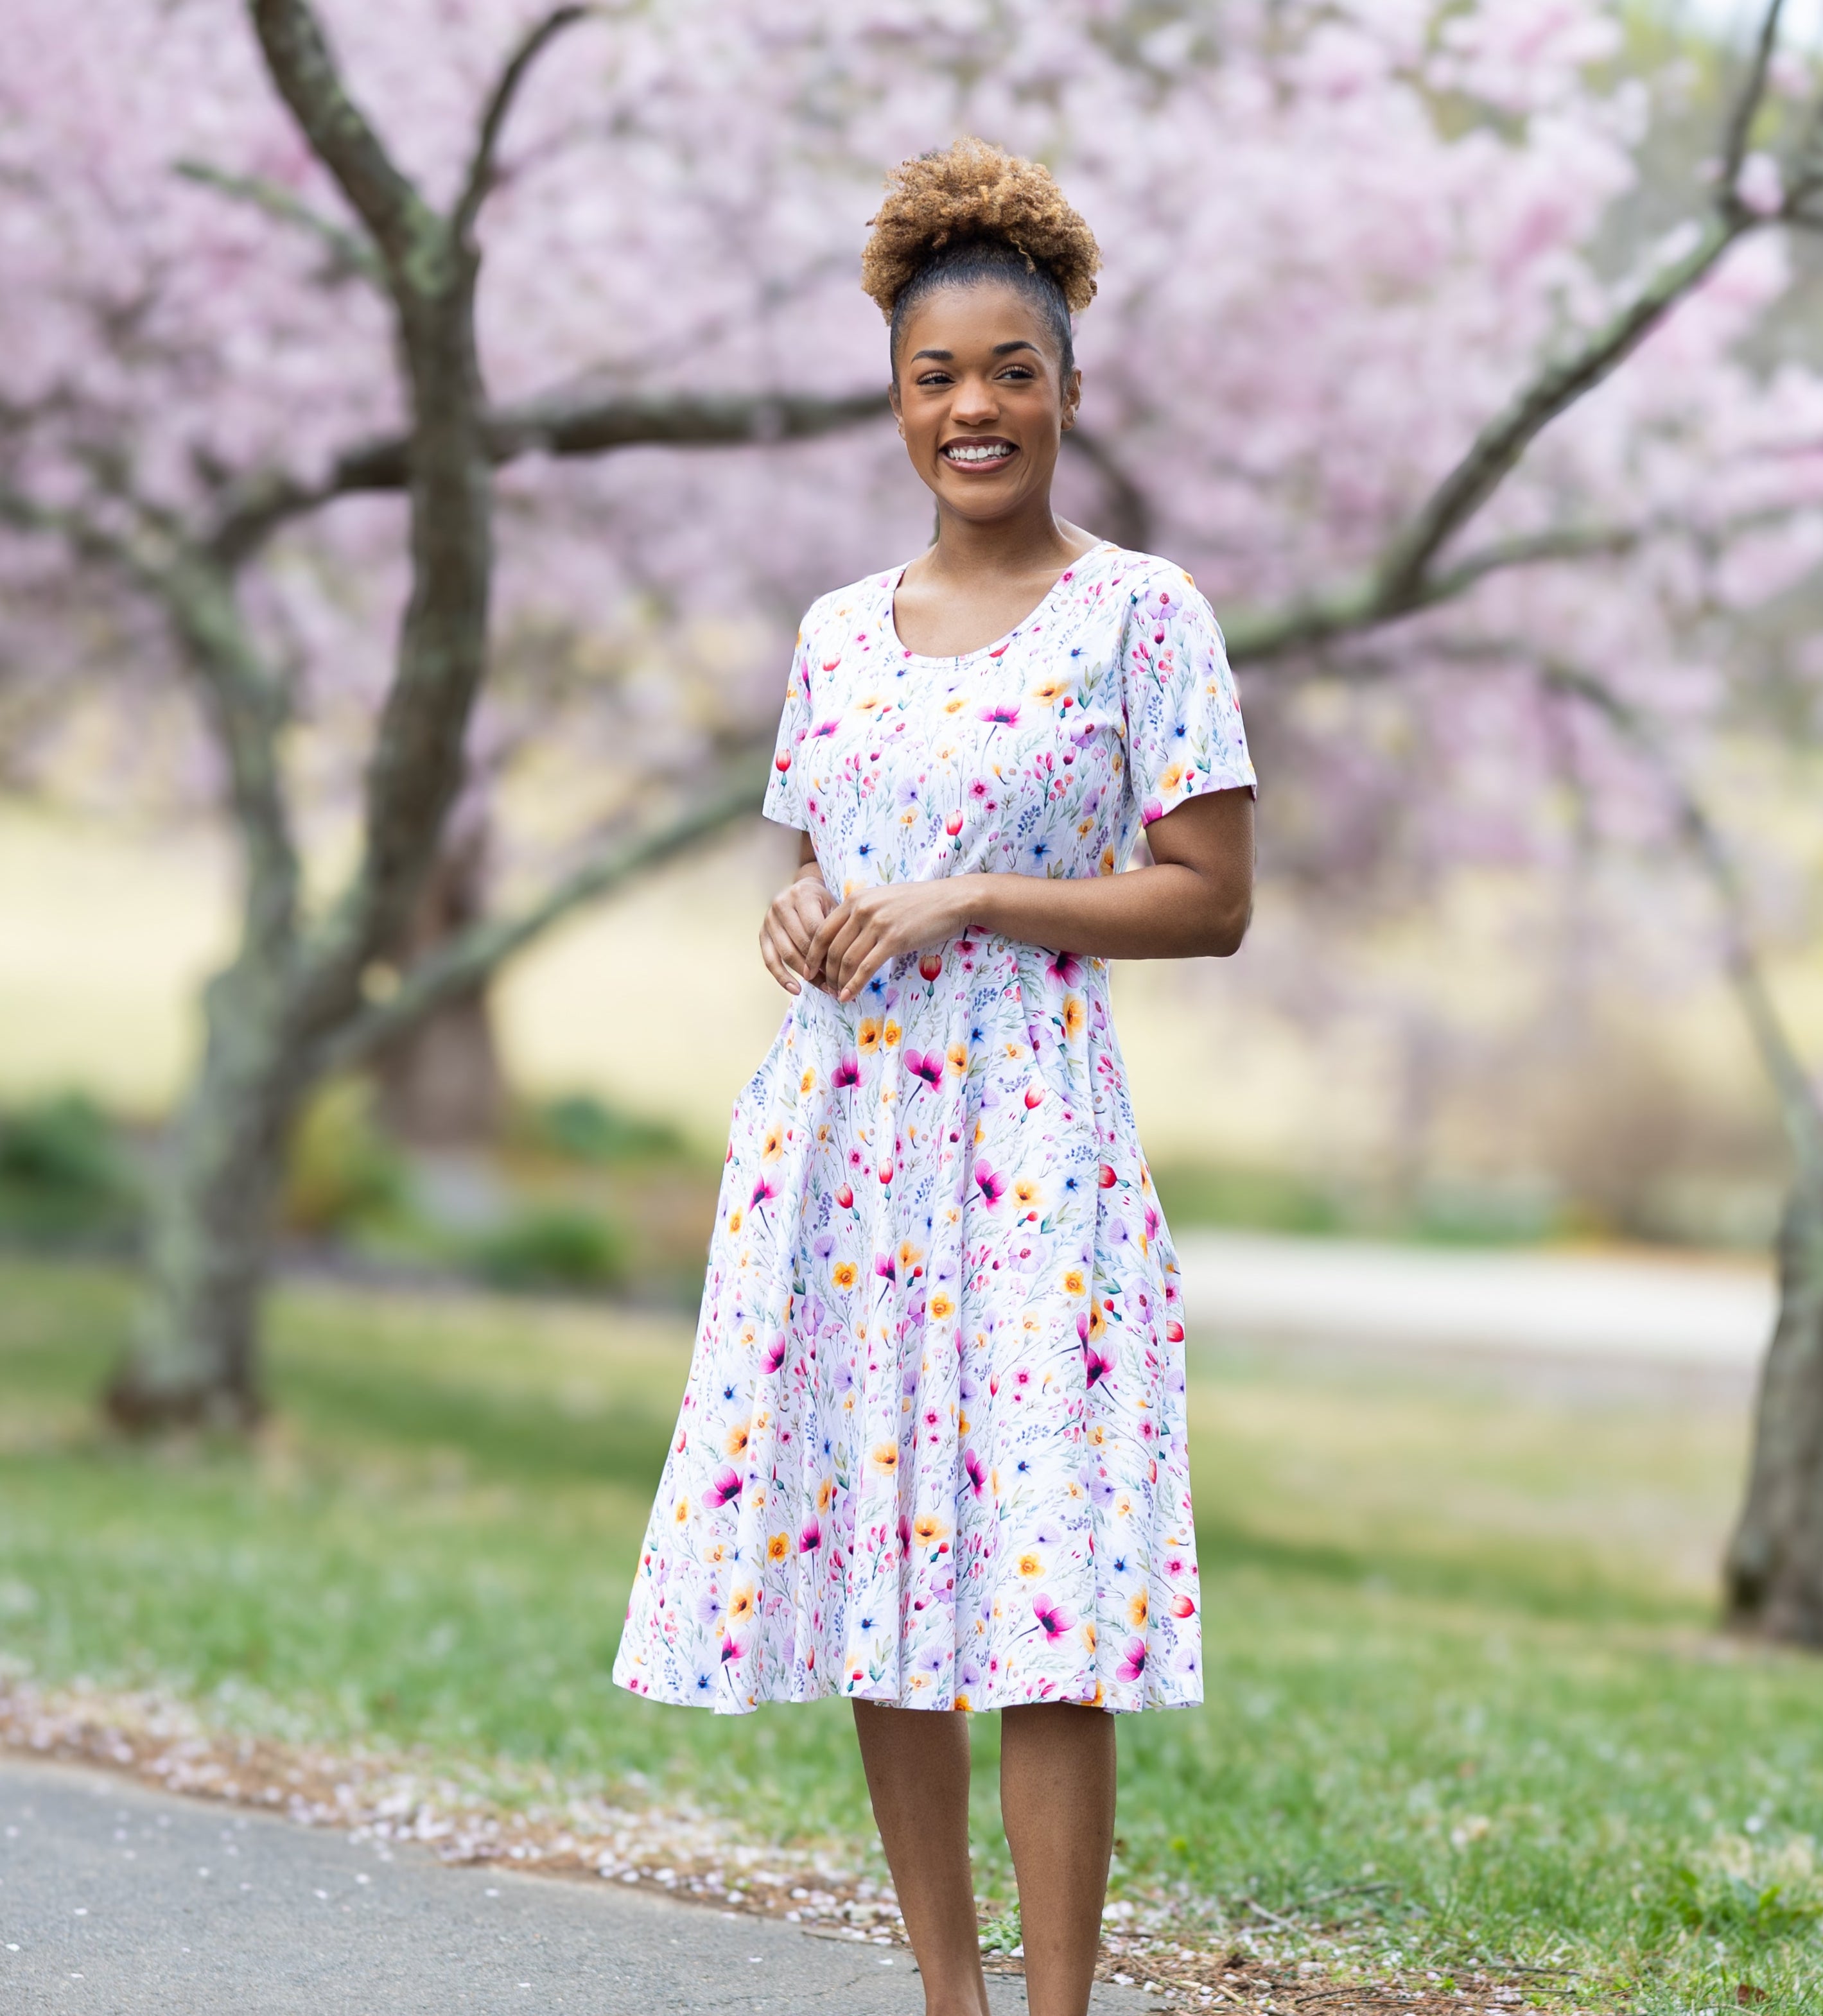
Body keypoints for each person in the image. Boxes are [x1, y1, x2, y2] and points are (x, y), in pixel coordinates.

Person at [612, 136, 1259, 2016]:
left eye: (1010, 372)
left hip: (1033, 1137)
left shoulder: (1145, 615)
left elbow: (1208, 899)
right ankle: (946, 1997)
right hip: (842, 1137)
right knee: (884, 1572)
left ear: (1064, 386)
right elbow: (803, 870)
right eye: (933, 376)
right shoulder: (833, 631)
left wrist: (979, 893)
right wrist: (796, 924)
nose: (972, 407)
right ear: (895, 397)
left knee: (1046, 1598)